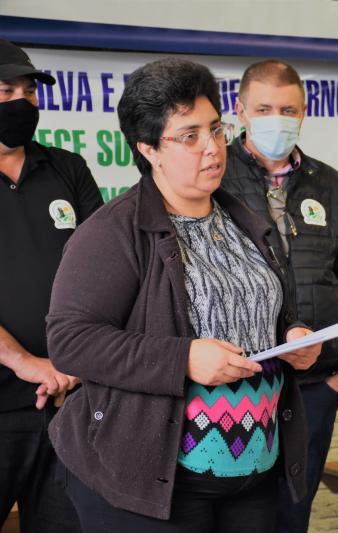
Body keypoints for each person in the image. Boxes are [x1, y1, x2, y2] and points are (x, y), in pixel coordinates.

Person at [45, 57, 322, 533]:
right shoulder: (112, 231)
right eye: (189, 136)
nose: (212, 148)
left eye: (215, 129)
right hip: (155, 482)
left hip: (252, 469)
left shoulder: (245, 222)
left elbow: (263, 310)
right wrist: (184, 359)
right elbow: (71, 341)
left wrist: (292, 335)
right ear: (149, 148)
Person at [221, 59, 338, 533]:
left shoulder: (330, 186)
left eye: (287, 110)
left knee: (292, 516)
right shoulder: (215, 177)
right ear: (240, 111)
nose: (277, 120)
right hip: (236, 386)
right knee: (236, 518)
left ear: (304, 112)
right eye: (264, 109)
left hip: (314, 388)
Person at [0, 39, 102, 532]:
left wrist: (76, 362)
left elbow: (107, 273)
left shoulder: (68, 169)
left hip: (67, 403)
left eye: (29, 91)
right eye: (5, 91)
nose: (21, 102)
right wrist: (26, 362)